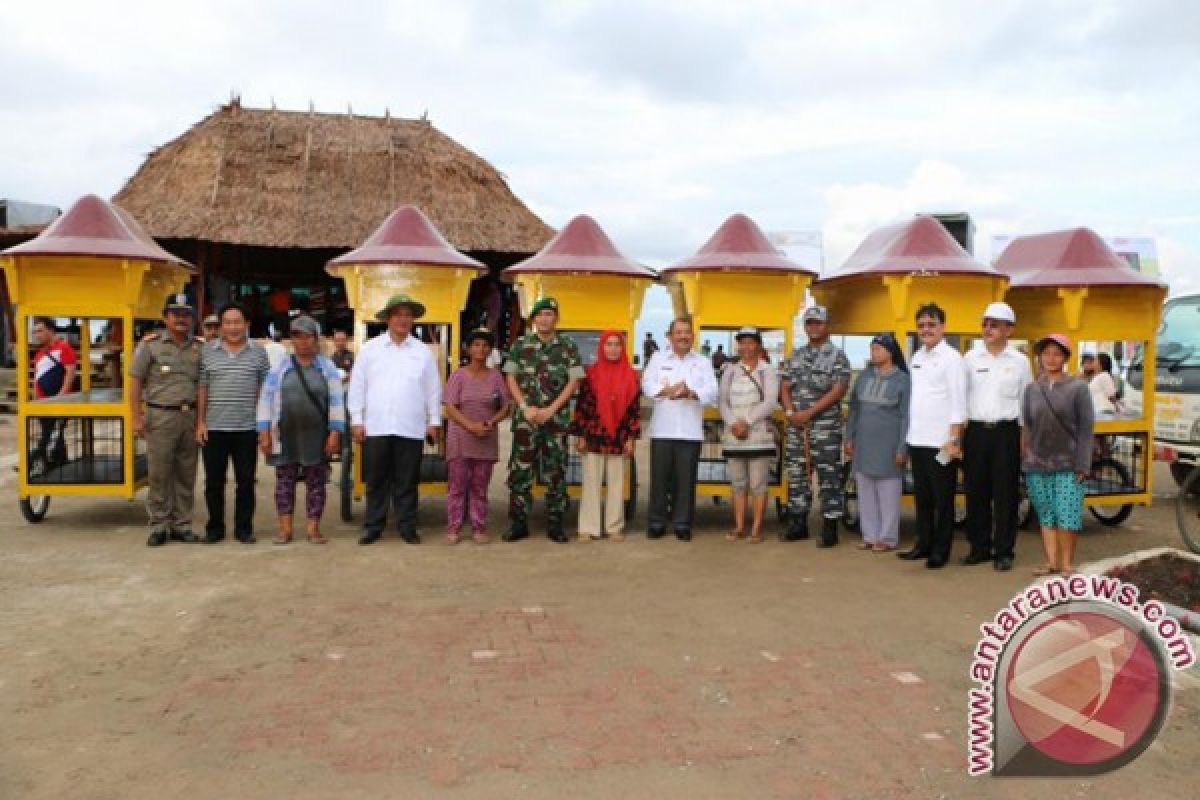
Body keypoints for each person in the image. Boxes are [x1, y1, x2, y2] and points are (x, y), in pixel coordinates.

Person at [348, 294, 442, 545]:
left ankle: (407, 526)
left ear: (413, 320)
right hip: (376, 425)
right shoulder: (370, 349)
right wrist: (357, 420)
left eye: (407, 315)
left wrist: (434, 421)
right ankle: (373, 526)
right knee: (376, 479)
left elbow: (433, 389)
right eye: (397, 314)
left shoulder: (422, 352)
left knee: (407, 480)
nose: (403, 319)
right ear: (388, 319)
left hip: (410, 427)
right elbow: (357, 386)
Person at [256, 315, 345, 545]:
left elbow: (336, 402)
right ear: (291, 340)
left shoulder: (327, 368)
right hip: (285, 435)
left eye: (308, 336)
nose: (303, 341)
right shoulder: (280, 368)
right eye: (297, 336)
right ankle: (285, 530)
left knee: (316, 483)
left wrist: (335, 432)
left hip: (317, 436)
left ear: (316, 339)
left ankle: (313, 529)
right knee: (284, 482)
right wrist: (264, 431)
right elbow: (265, 399)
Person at [502, 297, 584, 543]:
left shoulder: (568, 345)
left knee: (555, 472)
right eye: (540, 315)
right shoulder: (521, 344)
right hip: (526, 420)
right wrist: (525, 406)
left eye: (549, 314)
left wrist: (551, 409)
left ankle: (555, 523)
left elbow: (574, 380)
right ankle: (518, 522)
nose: (545, 319)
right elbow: (510, 377)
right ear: (534, 319)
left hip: (555, 421)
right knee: (520, 471)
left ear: (556, 318)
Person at [961, 302, 1032, 572]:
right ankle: (979, 547)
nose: (988, 329)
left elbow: (1026, 401)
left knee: (1005, 493)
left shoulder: (1020, 362)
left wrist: (1024, 436)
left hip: (1007, 432)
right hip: (976, 432)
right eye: (985, 324)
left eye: (994, 324)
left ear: (1009, 329)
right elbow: (961, 396)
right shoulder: (970, 358)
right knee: (976, 490)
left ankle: (1004, 551)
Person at [129, 295, 204, 546]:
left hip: (189, 416)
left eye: (186, 314)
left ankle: (182, 524)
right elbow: (136, 381)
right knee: (159, 473)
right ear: (165, 318)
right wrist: (135, 416)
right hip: (160, 415)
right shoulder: (150, 346)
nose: (181, 319)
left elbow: (203, 384)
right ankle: (159, 524)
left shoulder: (199, 348)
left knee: (186, 473)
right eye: (176, 314)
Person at [196, 303, 271, 544]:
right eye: (227, 322)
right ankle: (215, 528)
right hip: (215, 428)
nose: (232, 327)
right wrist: (200, 422)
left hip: (247, 428)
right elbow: (202, 388)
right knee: (214, 483)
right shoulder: (208, 352)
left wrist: (264, 426)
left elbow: (265, 391)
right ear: (221, 326)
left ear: (247, 324)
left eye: (237, 322)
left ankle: (244, 529)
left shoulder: (258, 353)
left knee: (246, 482)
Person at [901, 303, 967, 569]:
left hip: (942, 443)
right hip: (918, 439)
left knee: (943, 499)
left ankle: (941, 550)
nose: (926, 330)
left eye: (931, 325)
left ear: (943, 327)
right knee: (923, 497)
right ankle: (923, 544)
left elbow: (959, 403)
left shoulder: (952, 359)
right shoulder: (916, 357)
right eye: (921, 326)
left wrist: (954, 440)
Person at [1023, 334, 1094, 576]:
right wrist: (1025, 457)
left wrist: (1084, 464)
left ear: (1065, 357)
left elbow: (1086, 428)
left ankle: (1067, 564)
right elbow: (1028, 426)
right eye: (1046, 354)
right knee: (1046, 513)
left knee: (1068, 513)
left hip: (1069, 462)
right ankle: (1050, 562)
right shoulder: (1032, 389)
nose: (1051, 358)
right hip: (1037, 463)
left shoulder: (1079, 388)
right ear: (1039, 357)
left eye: (1057, 353)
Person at [641, 317, 718, 541]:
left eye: (687, 332)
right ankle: (656, 522)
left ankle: (682, 523)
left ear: (692, 336)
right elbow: (646, 384)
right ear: (670, 336)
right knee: (659, 480)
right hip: (662, 430)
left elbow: (712, 391)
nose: (683, 336)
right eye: (679, 332)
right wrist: (667, 391)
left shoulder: (702, 362)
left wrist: (691, 393)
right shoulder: (657, 358)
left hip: (689, 431)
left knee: (686, 481)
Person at [780, 305, 852, 546]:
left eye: (818, 323)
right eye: (809, 322)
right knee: (797, 475)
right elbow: (785, 385)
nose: (813, 327)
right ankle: (798, 522)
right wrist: (791, 412)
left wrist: (808, 413)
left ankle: (830, 526)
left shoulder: (837, 356)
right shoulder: (796, 355)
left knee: (829, 476)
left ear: (827, 326)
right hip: (797, 428)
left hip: (825, 428)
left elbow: (838, 390)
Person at [571, 330, 641, 541]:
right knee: (591, 483)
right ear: (601, 347)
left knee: (617, 483)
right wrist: (581, 435)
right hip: (593, 435)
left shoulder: (631, 376)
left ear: (622, 348)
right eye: (608, 344)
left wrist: (631, 438)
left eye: (617, 344)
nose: (613, 349)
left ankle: (614, 526)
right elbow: (582, 407)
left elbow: (634, 410)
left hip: (619, 437)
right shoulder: (591, 375)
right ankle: (588, 527)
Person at [443, 328, 511, 544]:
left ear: (490, 350)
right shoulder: (458, 375)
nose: (480, 349)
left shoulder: (496, 376)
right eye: (476, 345)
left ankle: (478, 528)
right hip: (461, 438)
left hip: (486, 438)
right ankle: (453, 528)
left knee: (480, 487)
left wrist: (490, 422)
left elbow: (506, 407)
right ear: (468, 349)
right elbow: (450, 408)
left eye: (485, 345)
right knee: (457, 487)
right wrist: (471, 426)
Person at [845, 333, 910, 553]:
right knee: (865, 492)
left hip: (890, 446)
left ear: (890, 352)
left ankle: (887, 538)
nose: (874, 353)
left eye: (878, 349)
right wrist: (849, 436)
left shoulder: (903, 380)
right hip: (864, 444)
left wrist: (903, 447)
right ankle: (869, 535)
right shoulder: (863, 377)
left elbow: (906, 416)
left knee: (889, 493)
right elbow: (854, 408)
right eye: (872, 349)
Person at [719, 327, 779, 544]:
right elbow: (722, 402)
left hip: (758, 436)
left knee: (758, 484)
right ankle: (739, 526)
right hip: (734, 436)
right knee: (738, 483)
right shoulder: (729, 370)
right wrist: (734, 423)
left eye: (751, 342)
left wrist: (747, 421)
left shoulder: (767, 371)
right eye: (742, 342)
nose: (746, 347)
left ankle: (756, 528)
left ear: (759, 345)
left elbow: (770, 401)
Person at [30, 316, 78, 467]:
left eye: (40, 331)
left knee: (50, 433)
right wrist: (35, 397)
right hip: (43, 400)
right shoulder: (40, 353)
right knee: (52, 433)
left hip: (57, 400)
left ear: (50, 330)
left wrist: (62, 395)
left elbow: (70, 372)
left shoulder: (63, 348)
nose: (37, 335)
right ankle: (58, 461)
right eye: (35, 331)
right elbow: (37, 376)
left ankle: (33, 461)